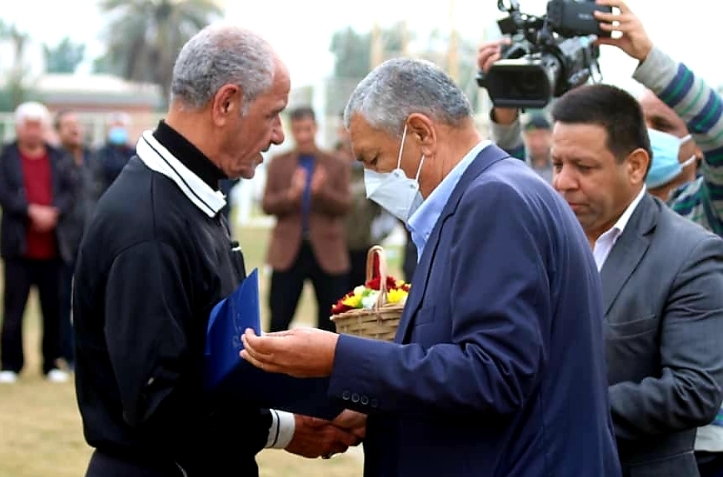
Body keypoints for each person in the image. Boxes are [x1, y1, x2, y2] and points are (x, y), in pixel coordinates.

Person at [240, 57, 621, 476]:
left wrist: (339, 356)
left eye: (375, 159)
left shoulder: (495, 201)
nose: (374, 180)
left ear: (421, 133)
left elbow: (495, 374)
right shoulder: (484, 196)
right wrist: (381, 407)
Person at [72, 25, 359, 477]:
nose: (279, 135)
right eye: (273, 114)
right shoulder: (150, 224)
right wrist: (280, 428)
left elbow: (204, 361)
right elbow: (160, 406)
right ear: (226, 103)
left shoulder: (189, 197)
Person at [550, 84, 723, 475]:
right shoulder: (543, 241)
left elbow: (694, 390)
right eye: (558, 165)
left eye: (584, 167)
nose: (563, 182)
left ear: (635, 166)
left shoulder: (689, 254)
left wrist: (565, 408)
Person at [0, 101, 75, 384]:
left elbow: (70, 191)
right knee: (14, 308)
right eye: (28, 126)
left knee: (53, 308)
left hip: (53, 246)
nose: (33, 132)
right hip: (18, 247)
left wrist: (54, 212)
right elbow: (5, 192)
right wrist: (29, 210)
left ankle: (51, 362)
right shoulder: (6, 157)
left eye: (37, 126)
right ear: (19, 128)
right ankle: (10, 364)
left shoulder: (59, 158)